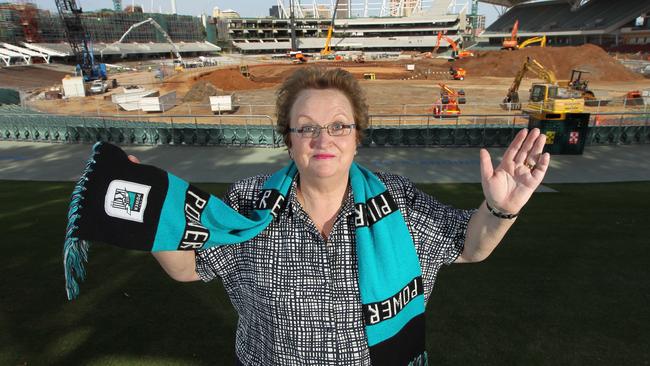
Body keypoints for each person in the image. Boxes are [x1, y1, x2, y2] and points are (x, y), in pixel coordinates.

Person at [135, 67, 550, 365]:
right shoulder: (249, 201)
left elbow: (469, 246)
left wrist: (501, 208)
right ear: (288, 140)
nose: (322, 140)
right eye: (306, 127)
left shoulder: (398, 201)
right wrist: (149, 214)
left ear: (357, 137)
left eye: (338, 126)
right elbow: (190, 266)